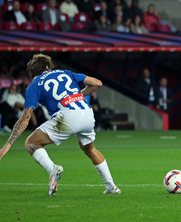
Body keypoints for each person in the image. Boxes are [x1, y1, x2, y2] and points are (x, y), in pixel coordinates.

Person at [0, 54, 121, 196]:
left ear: (33, 73)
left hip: (68, 116)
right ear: (47, 66)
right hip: (87, 113)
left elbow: (26, 117)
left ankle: (52, 169)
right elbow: (97, 83)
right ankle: (111, 186)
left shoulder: (34, 84)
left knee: (31, 143)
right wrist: (75, 97)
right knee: (90, 149)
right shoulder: (65, 73)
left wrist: (7, 146)